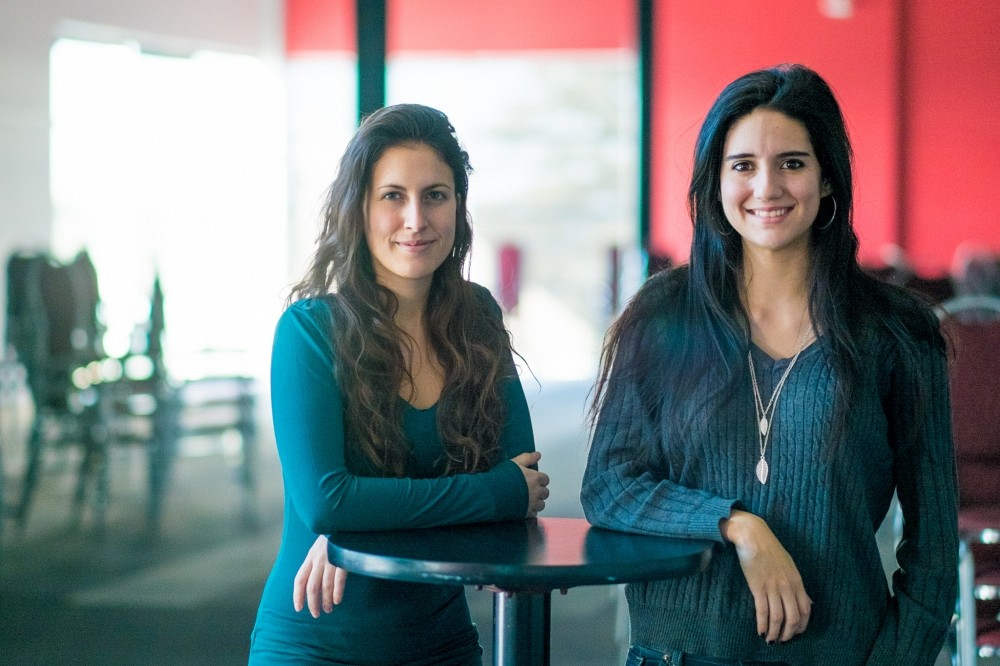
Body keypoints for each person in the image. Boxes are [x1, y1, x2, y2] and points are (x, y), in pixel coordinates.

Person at [581, 64, 957, 665]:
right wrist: (738, 526)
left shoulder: (898, 333)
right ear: (717, 182)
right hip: (679, 654)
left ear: (828, 178)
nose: (767, 187)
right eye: (743, 166)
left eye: (792, 162)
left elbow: (935, 549)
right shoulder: (663, 314)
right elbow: (609, 486)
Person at [249, 103, 550, 665]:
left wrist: (361, 531)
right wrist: (344, 520)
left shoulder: (477, 316)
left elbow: (522, 487)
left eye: (435, 195)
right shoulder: (310, 332)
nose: (416, 219)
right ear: (359, 209)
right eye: (393, 196)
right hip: (316, 642)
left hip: (439, 644)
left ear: (458, 208)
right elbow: (326, 501)